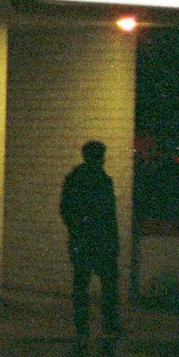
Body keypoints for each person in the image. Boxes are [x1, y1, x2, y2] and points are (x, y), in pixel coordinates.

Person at [59, 140, 123, 338]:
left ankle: (83, 327)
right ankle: (109, 325)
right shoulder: (103, 180)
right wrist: (112, 239)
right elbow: (109, 213)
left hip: (82, 239)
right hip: (101, 239)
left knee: (81, 283)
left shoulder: (75, 178)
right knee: (108, 284)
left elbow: (65, 209)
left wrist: (77, 229)